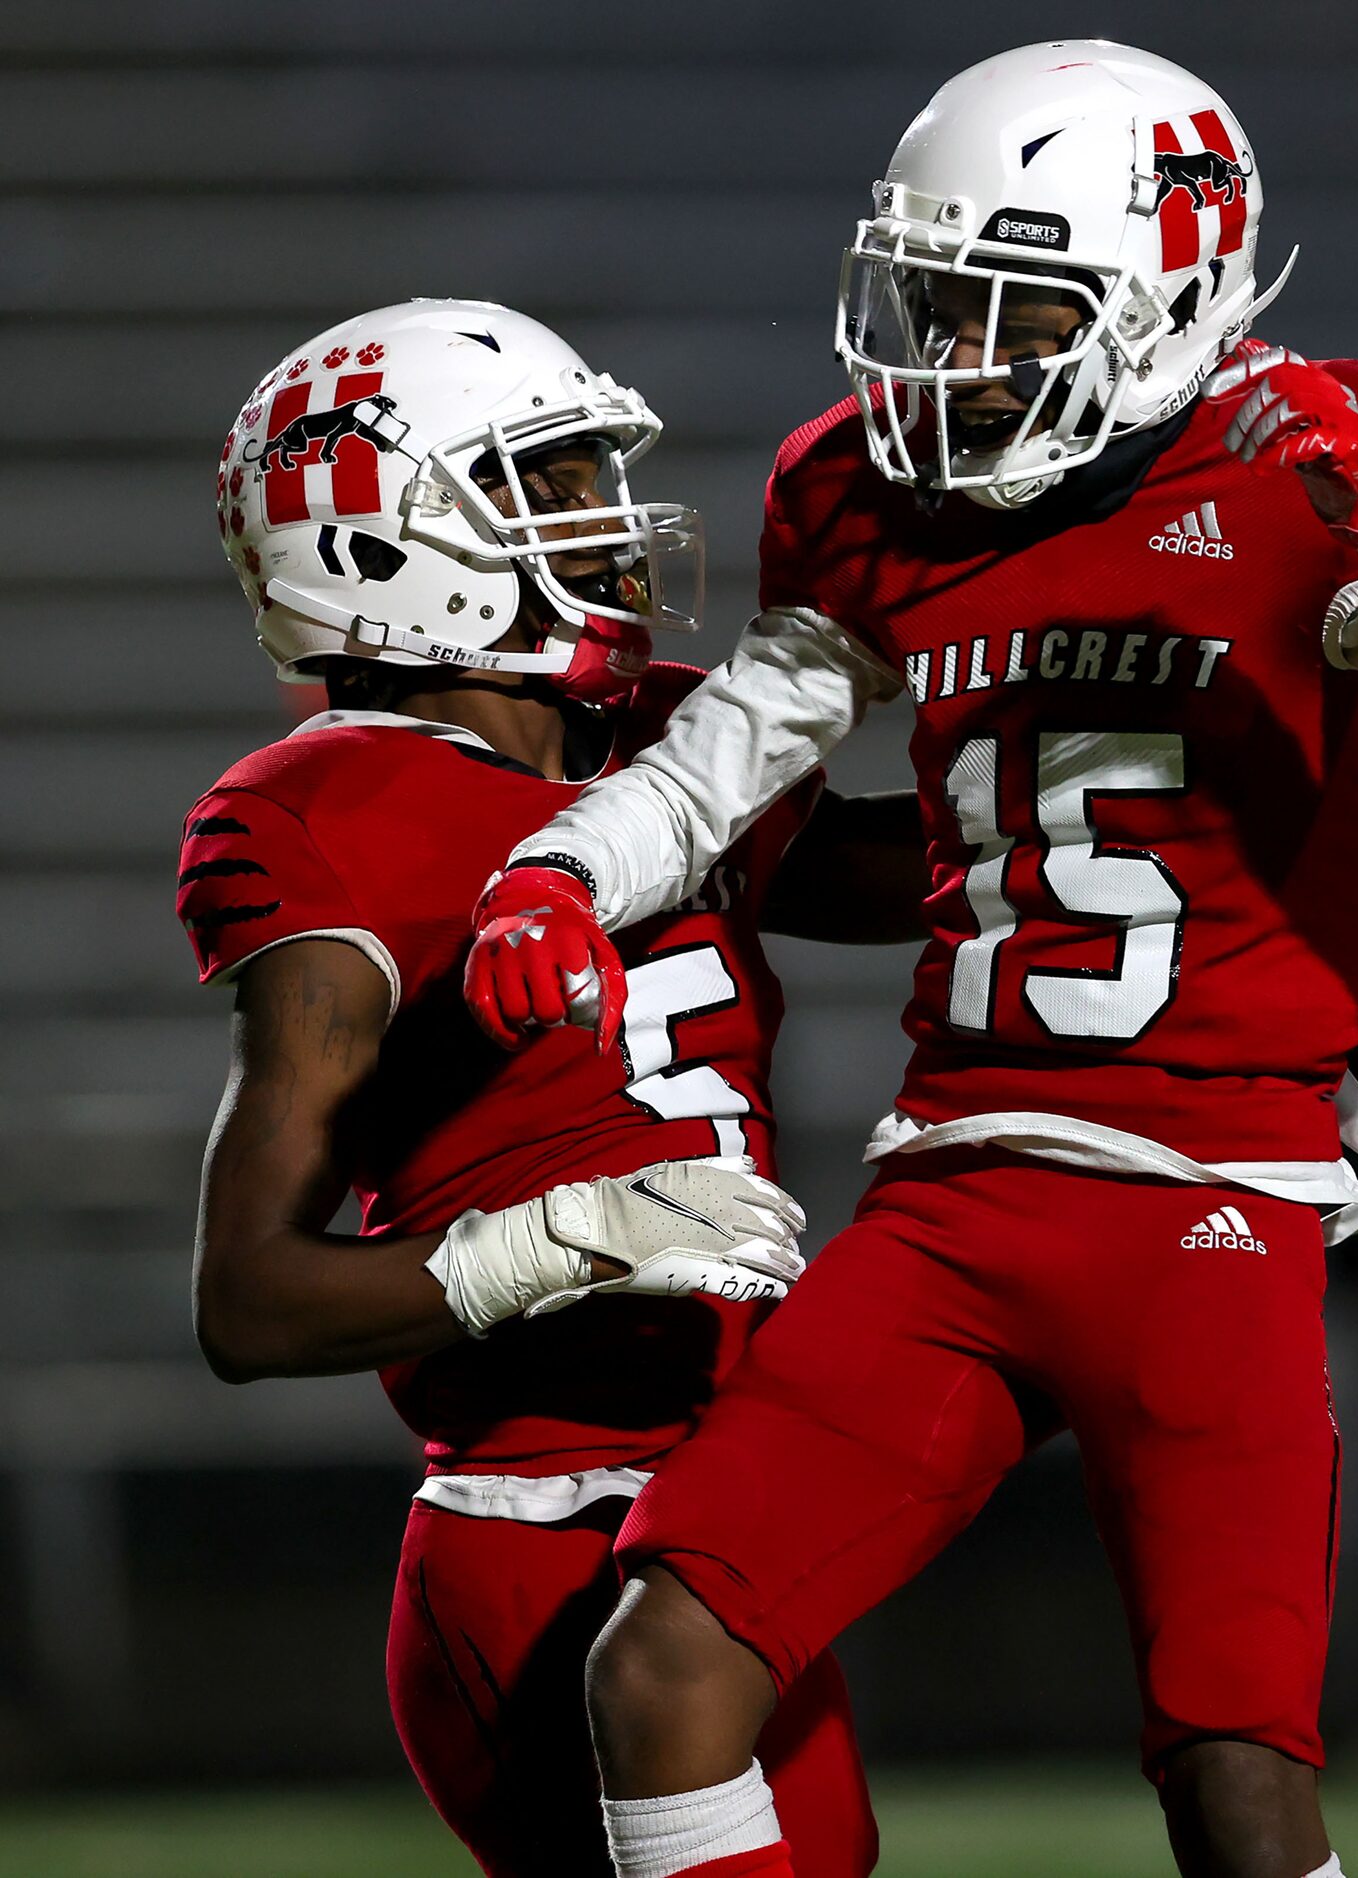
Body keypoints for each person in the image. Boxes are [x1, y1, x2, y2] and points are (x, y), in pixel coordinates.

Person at [462, 43, 1358, 1878]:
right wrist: (556, 873)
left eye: (1006, 310)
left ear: (1169, 292)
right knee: (661, 1663)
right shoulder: (870, 495)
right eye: (933, 299)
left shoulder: (1311, 459)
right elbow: (730, 753)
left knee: (1236, 1785)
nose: (949, 355)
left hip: (1209, 1204)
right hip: (952, 1194)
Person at [180, 298, 924, 1878]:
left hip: (725, 1517)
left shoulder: (651, 740)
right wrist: (573, 1233)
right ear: (384, 548)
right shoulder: (331, 812)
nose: (606, 520)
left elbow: (929, 871)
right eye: (551, 480)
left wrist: (1082, 707)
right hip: (539, 1536)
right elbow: (249, 1301)